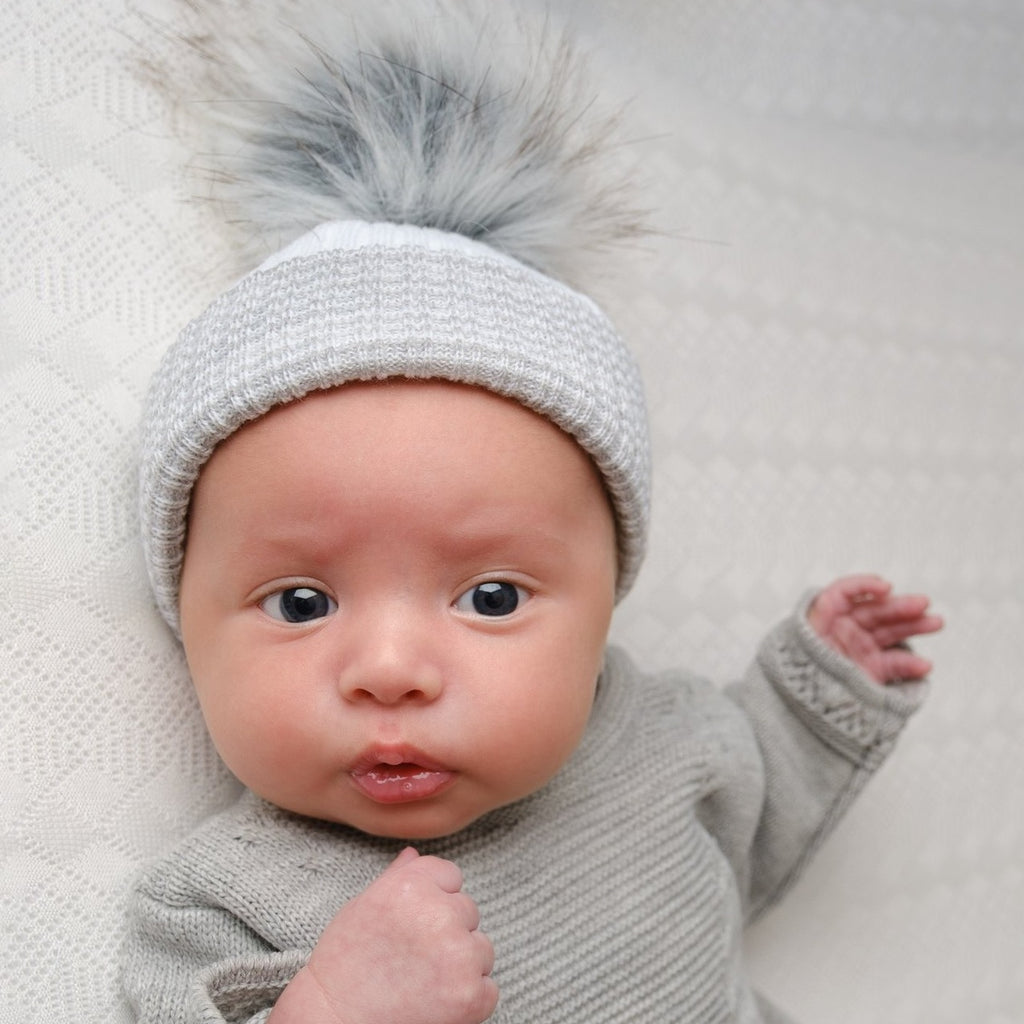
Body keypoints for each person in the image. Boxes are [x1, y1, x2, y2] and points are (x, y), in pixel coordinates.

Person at [123, 3, 943, 1022]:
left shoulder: (658, 742)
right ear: (183, 619)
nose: (390, 670)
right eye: (298, 602)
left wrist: (822, 686)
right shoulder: (223, 906)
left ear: (604, 608)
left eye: (492, 594)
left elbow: (758, 810)